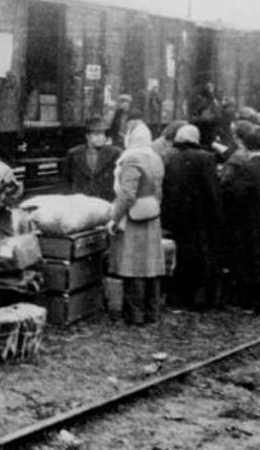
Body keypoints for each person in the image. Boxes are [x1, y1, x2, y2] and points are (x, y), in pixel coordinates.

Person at [107, 120, 165, 325]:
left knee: (133, 267)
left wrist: (114, 218)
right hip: (152, 215)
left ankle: (135, 316)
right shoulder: (155, 157)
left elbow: (127, 195)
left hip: (133, 218)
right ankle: (152, 313)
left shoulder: (131, 159)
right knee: (151, 267)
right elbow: (158, 190)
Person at [161, 124, 223, 310]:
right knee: (200, 259)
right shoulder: (206, 158)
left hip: (175, 217)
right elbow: (211, 190)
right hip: (200, 217)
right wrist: (218, 216)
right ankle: (198, 301)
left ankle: (177, 299)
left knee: (180, 258)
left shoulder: (169, 157)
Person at [224, 129, 260, 312]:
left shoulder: (247, 169)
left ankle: (253, 302)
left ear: (246, 147)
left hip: (252, 223)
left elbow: (236, 196)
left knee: (252, 262)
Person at [61, 117, 121, 201]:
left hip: (105, 201)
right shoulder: (74, 154)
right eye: (96, 134)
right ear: (88, 137)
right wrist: (68, 200)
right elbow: (66, 180)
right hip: (81, 202)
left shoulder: (114, 153)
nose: (101, 137)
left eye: (103, 134)